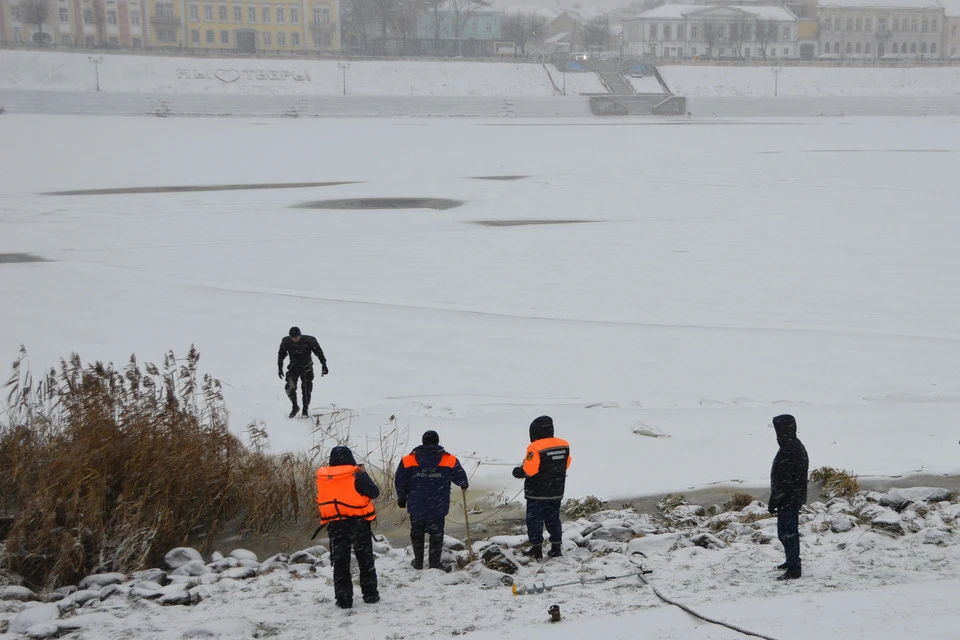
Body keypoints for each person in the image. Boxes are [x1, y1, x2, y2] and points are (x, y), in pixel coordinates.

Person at [316, 445, 380, 608]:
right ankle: (370, 595)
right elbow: (374, 492)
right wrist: (363, 473)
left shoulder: (324, 477)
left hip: (336, 524)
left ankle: (344, 600)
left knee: (340, 563)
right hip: (358, 523)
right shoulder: (357, 475)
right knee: (365, 560)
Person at [394, 430, 469, 570]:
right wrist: (463, 483)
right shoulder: (449, 459)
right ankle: (434, 563)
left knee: (417, 533)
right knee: (436, 534)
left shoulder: (408, 459)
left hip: (417, 504)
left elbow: (400, 480)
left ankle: (418, 562)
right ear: (437, 442)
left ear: (423, 442)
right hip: (438, 504)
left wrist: (402, 497)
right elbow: (460, 477)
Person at [512, 415, 571, 560]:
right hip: (556, 490)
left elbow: (529, 471)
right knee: (553, 519)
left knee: (534, 521)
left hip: (537, 493)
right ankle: (556, 548)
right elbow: (566, 465)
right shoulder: (564, 444)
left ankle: (536, 550)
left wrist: (517, 472)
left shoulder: (535, 447)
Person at [768, 414, 809, 581]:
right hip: (792, 497)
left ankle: (794, 567)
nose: (777, 433)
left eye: (778, 429)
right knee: (787, 532)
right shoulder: (792, 445)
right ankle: (791, 561)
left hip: (789, 498)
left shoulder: (790, 449)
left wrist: (774, 500)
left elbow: (784, 481)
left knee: (787, 533)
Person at [277, 326, 328, 418]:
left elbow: (319, 352)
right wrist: (280, 367)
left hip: (306, 368)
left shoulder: (309, 340)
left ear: (300, 335)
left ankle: (305, 410)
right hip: (293, 369)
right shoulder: (286, 342)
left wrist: (324, 365)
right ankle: (295, 407)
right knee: (289, 388)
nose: (295, 339)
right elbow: (281, 354)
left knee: (306, 390)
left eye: (296, 337)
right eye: (293, 337)